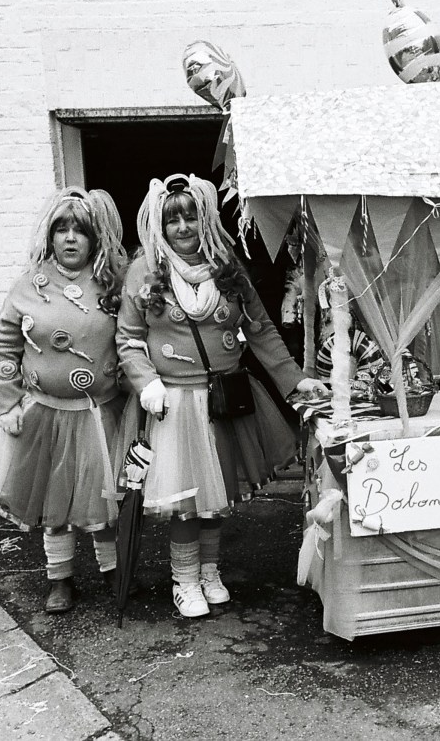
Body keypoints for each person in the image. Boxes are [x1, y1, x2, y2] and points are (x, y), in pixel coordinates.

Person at [116, 174, 328, 619]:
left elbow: (260, 328)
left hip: (224, 400)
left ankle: (210, 574)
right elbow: (128, 340)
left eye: (191, 216)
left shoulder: (226, 267)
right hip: (173, 404)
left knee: (216, 500)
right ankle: (184, 580)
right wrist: (145, 382)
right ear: (159, 223)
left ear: (205, 219)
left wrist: (294, 379)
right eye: (172, 219)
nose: (183, 227)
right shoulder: (144, 270)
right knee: (186, 502)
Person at [0, 186, 128, 614]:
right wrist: (7, 403)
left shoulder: (110, 282)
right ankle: (60, 578)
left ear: (93, 238)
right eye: (61, 229)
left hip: (100, 413)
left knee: (104, 499)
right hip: (46, 413)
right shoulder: (28, 286)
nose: (69, 238)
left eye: (79, 231)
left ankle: (111, 570)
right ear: (50, 236)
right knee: (54, 503)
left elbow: (132, 338)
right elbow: (6, 346)